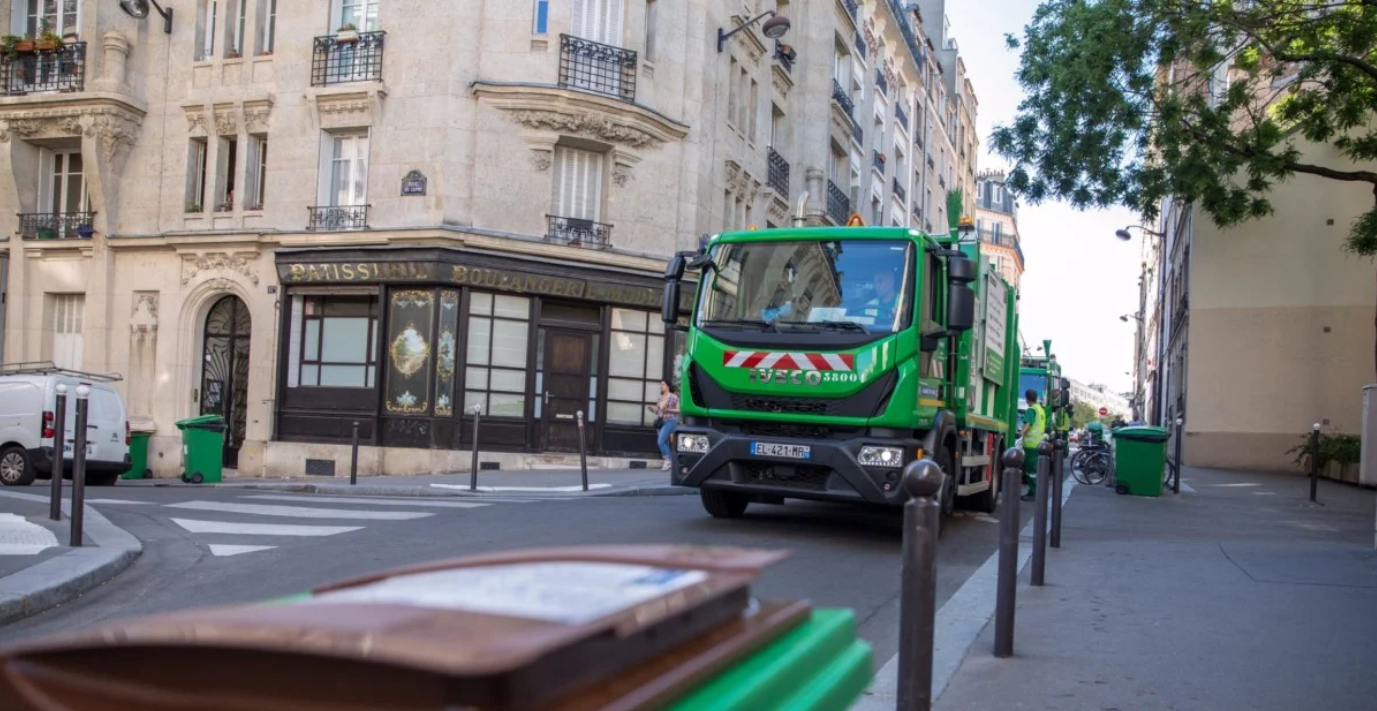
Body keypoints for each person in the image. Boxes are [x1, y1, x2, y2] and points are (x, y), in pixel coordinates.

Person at [1018, 389, 1046, 502]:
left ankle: (1034, 492)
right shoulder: (1040, 410)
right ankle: (1034, 491)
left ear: (1027, 398)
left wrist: (1020, 433)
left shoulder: (1031, 410)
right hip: (1038, 444)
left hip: (1031, 445)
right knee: (1035, 470)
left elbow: (1028, 424)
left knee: (1031, 471)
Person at [647, 381, 680, 471]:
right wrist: (653, 410)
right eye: (660, 384)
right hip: (661, 422)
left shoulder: (673, 396)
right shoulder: (660, 398)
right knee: (664, 442)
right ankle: (670, 462)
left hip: (670, 421)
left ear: (668, 386)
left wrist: (668, 410)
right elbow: (659, 412)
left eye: (663, 384)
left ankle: (667, 460)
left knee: (661, 441)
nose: (661, 386)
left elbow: (678, 410)